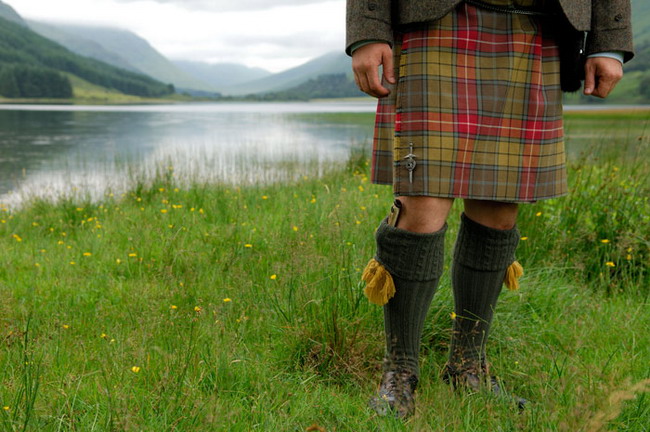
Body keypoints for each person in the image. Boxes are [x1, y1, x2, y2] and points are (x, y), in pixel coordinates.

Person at [346, 0, 634, 418]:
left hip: (535, 24)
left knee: (500, 206)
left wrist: (609, 40)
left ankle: (467, 369)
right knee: (421, 202)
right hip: (437, 20)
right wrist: (369, 30)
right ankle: (400, 374)